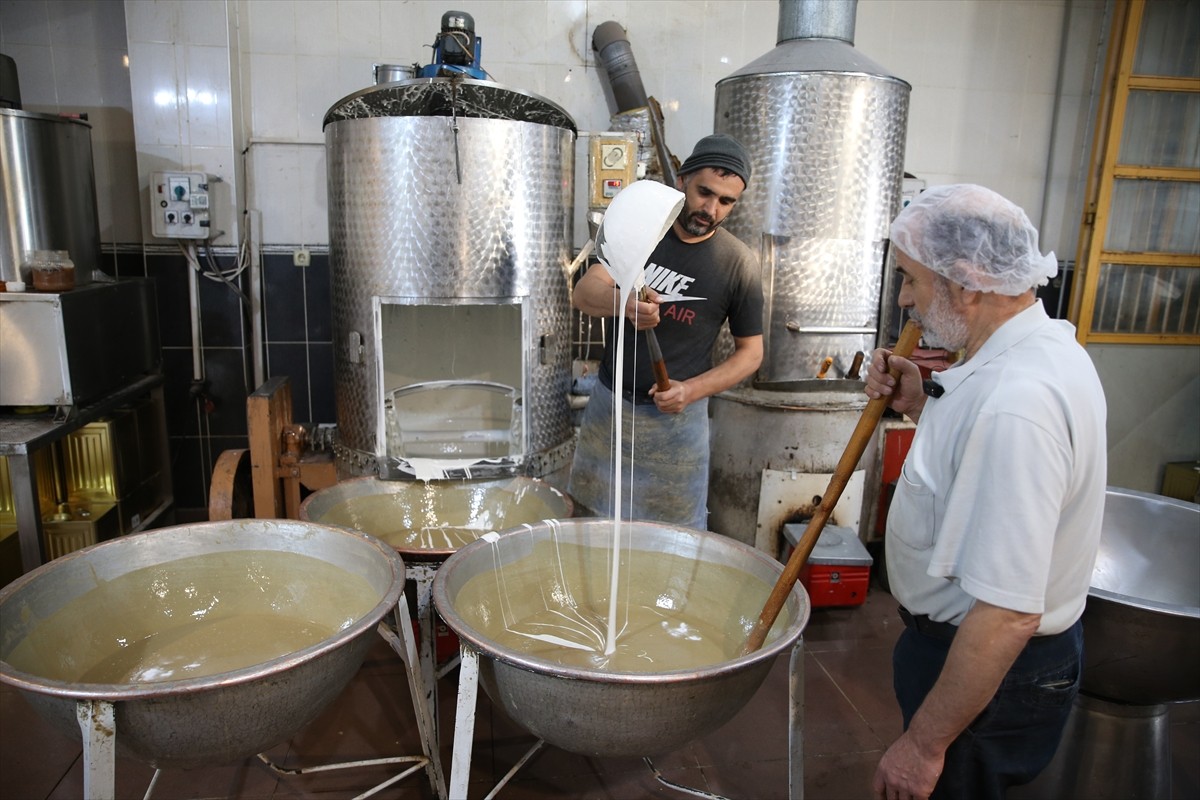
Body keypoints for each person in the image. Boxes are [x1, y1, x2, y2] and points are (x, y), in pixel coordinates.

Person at [864, 184, 1107, 800]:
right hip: (976, 661)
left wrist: (923, 746)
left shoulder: (1017, 405)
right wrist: (920, 401)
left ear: (968, 283)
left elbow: (1007, 613)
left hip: (984, 674)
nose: (905, 300)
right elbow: (980, 456)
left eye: (911, 280)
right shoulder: (1042, 349)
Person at [568, 134, 764, 529]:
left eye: (725, 201)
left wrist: (689, 391)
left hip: (678, 423)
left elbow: (751, 354)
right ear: (682, 180)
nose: (710, 209)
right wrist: (625, 305)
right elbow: (585, 292)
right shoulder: (642, 234)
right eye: (703, 192)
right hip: (611, 409)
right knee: (591, 524)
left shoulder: (739, 263)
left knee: (672, 537)